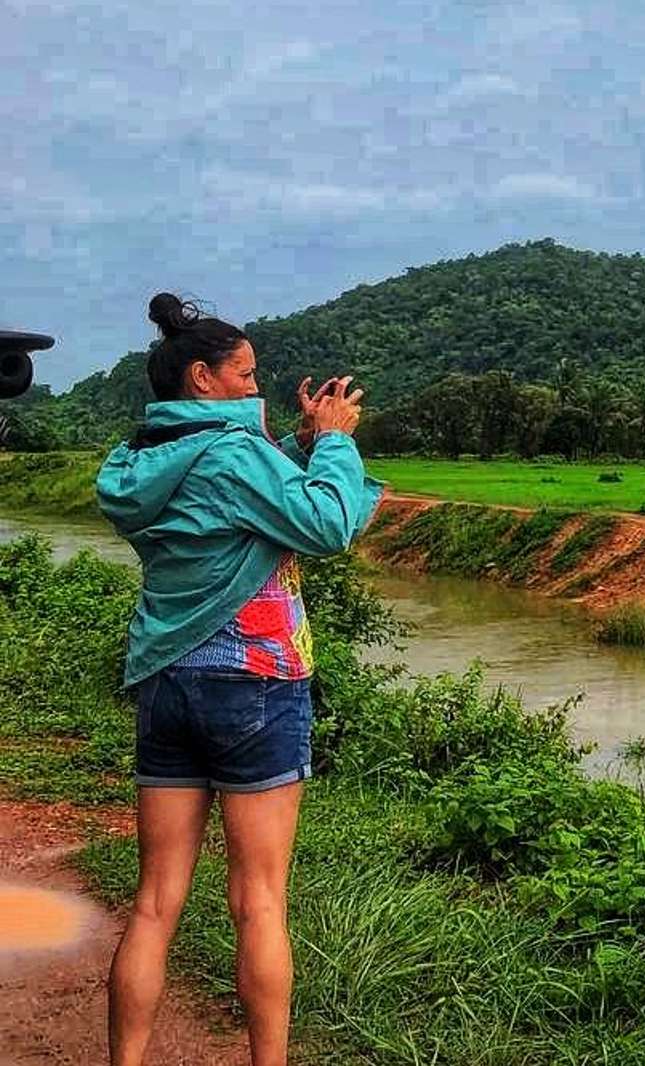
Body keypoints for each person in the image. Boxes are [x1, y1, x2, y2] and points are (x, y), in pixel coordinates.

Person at [94, 293, 384, 1066]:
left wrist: (291, 439)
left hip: (167, 682)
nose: (257, 388)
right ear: (202, 378)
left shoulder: (143, 461)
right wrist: (332, 444)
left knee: (155, 903)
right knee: (258, 901)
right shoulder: (231, 452)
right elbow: (324, 524)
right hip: (255, 682)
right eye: (247, 376)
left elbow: (244, 505)